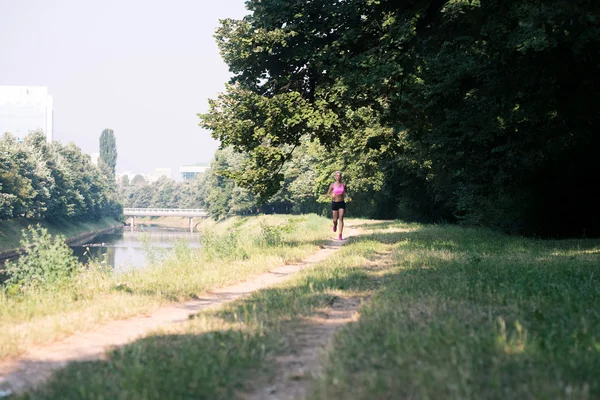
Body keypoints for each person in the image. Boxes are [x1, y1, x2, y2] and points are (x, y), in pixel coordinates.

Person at [327, 171, 348, 240]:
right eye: (337, 175)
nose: (338, 177)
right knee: (335, 219)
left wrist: (347, 196)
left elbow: (345, 192)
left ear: (341, 177)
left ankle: (340, 234)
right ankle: (335, 225)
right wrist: (331, 195)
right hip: (335, 203)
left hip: (341, 202)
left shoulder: (343, 185)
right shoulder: (332, 185)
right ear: (335, 177)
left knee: (341, 217)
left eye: (339, 175)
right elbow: (328, 193)